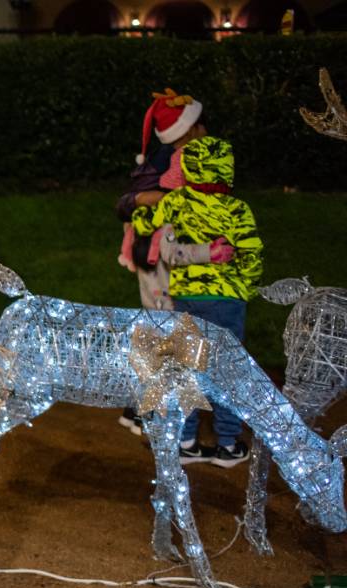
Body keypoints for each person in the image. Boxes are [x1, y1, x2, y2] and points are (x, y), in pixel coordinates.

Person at [131, 135, 262, 468]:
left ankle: (186, 440)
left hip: (187, 298)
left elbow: (143, 222)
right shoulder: (237, 209)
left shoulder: (179, 202)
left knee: (186, 367)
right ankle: (228, 445)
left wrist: (147, 208)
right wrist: (247, 285)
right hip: (227, 300)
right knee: (225, 369)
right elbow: (251, 252)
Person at [113, 89, 230, 435]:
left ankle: (142, 408)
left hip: (171, 251)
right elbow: (129, 203)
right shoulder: (176, 158)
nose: (179, 146)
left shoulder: (191, 154)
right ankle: (148, 410)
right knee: (163, 327)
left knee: (163, 327)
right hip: (163, 251)